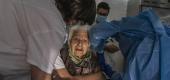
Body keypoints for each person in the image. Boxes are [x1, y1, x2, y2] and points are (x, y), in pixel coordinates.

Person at [0, 0, 97, 80]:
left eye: (84, 40)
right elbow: (41, 77)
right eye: (77, 39)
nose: (80, 44)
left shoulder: (45, 6)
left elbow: (62, 72)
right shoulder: (53, 27)